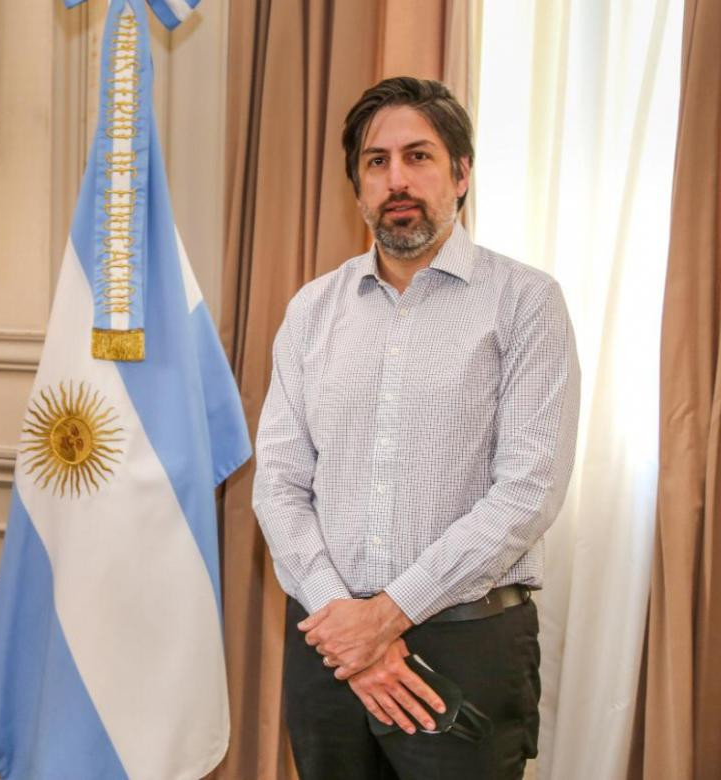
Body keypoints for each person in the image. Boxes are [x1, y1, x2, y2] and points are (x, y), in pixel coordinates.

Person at [252, 77, 579, 779]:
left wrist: (389, 615)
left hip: (466, 644)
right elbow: (277, 483)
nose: (397, 179)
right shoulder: (311, 310)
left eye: (419, 156)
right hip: (328, 646)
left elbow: (530, 490)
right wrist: (349, 623)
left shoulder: (526, 303)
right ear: (357, 187)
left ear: (461, 175)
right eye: (376, 162)